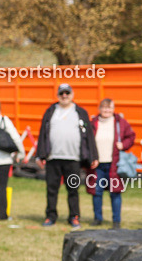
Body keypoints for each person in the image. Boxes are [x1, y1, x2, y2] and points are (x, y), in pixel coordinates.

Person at [35, 84, 98, 228]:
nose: (64, 96)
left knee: (73, 190)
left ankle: (74, 217)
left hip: (73, 158)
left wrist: (93, 155)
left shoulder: (80, 112)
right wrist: (40, 155)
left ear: (72, 94)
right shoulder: (51, 111)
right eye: (62, 93)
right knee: (52, 188)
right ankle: (50, 216)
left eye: (67, 93)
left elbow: (89, 136)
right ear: (58, 95)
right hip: (53, 157)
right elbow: (42, 134)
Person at [88, 98, 135, 228]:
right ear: (99, 109)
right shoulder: (93, 123)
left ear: (113, 109)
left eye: (109, 108)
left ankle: (116, 221)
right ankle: (98, 218)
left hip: (114, 164)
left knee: (115, 192)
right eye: (104, 108)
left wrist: (123, 145)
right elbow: (87, 141)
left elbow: (131, 136)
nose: (106, 110)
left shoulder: (120, 123)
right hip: (97, 164)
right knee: (96, 192)